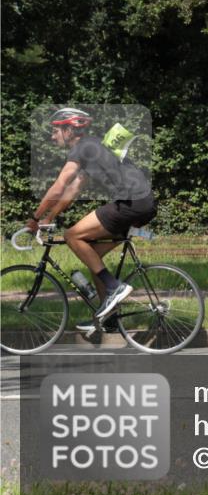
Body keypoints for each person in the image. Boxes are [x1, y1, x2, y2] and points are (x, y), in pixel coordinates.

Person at [25, 108, 157, 329]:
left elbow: (59, 186)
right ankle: (109, 319)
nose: (52, 136)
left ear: (69, 130)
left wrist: (35, 218)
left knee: (72, 236)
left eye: (55, 130)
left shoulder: (82, 148)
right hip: (141, 203)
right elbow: (72, 190)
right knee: (92, 256)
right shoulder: (92, 148)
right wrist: (49, 217)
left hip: (130, 204)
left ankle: (115, 288)